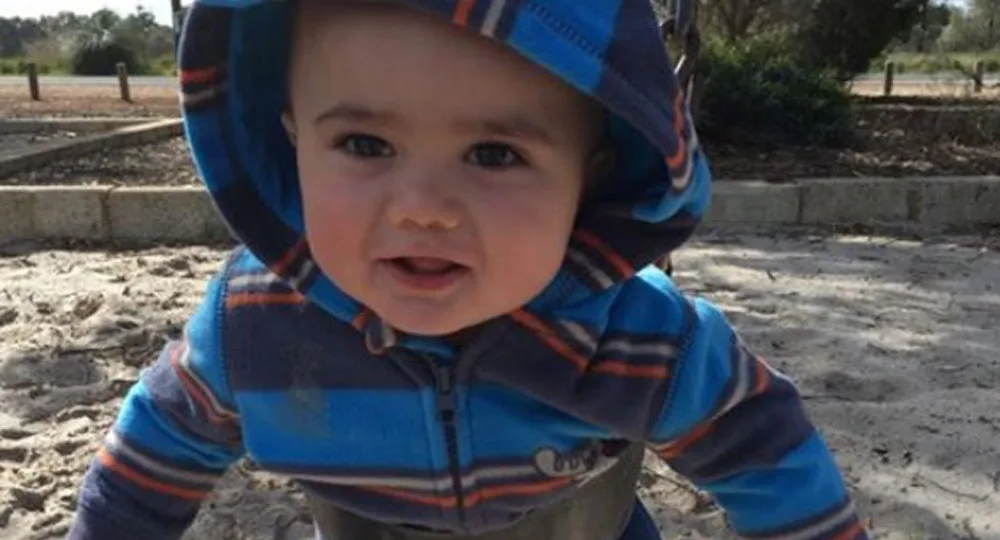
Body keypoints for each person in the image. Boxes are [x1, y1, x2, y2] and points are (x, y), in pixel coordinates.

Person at [66, 1, 868, 539]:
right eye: (364, 145)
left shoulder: (636, 334)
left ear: (587, 178)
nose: (422, 207)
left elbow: (765, 449)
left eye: (494, 154)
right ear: (292, 143)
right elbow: (147, 465)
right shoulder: (255, 328)